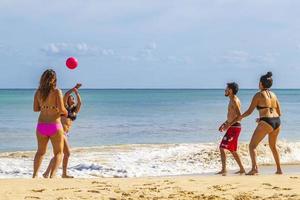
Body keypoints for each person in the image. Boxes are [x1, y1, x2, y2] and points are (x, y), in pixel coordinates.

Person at [228, 72, 282, 175]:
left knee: (252, 146)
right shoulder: (274, 95)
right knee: (273, 146)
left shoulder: (258, 95)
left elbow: (249, 112)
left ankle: (254, 169)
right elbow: (279, 112)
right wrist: (262, 117)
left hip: (266, 122)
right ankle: (279, 169)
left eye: (259, 82)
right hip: (277, 122)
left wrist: (239, 118)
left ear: (261, 84)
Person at [33, 69, 67, 178]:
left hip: (41, 125)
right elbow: (62, 109)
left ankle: (34, 176)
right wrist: (66, 112)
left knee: (40, 152)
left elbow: (35, 109)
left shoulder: (38, 92)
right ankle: (52, 176)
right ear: (54, 79)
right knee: (59, 153)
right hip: (54, 125)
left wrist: (45, 107)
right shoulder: (57, 91)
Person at [43, 83, 82, 178]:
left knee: (59, 153)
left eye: (73, 99)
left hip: (65, 134)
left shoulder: (74, 111)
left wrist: (77, 94)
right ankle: (62, 174)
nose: (73, 100)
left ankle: (47, 173)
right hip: (60, 132)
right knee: (66, 153)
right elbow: (66, 95)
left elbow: (80, 103)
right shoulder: (64, 108)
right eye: (71, 98)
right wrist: (73, 89)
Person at [217, 82, 245, 176]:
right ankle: (242, 169)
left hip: (234, 127)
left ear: (231, 90)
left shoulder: (234, 100)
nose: (225, 90)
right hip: (233, 126)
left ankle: (224, 169)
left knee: (222, 147)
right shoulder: (231, 100)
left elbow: (239, 116)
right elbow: (232, 116)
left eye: (226, 88)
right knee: (232, 149)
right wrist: (225, 123)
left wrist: (228, 125)